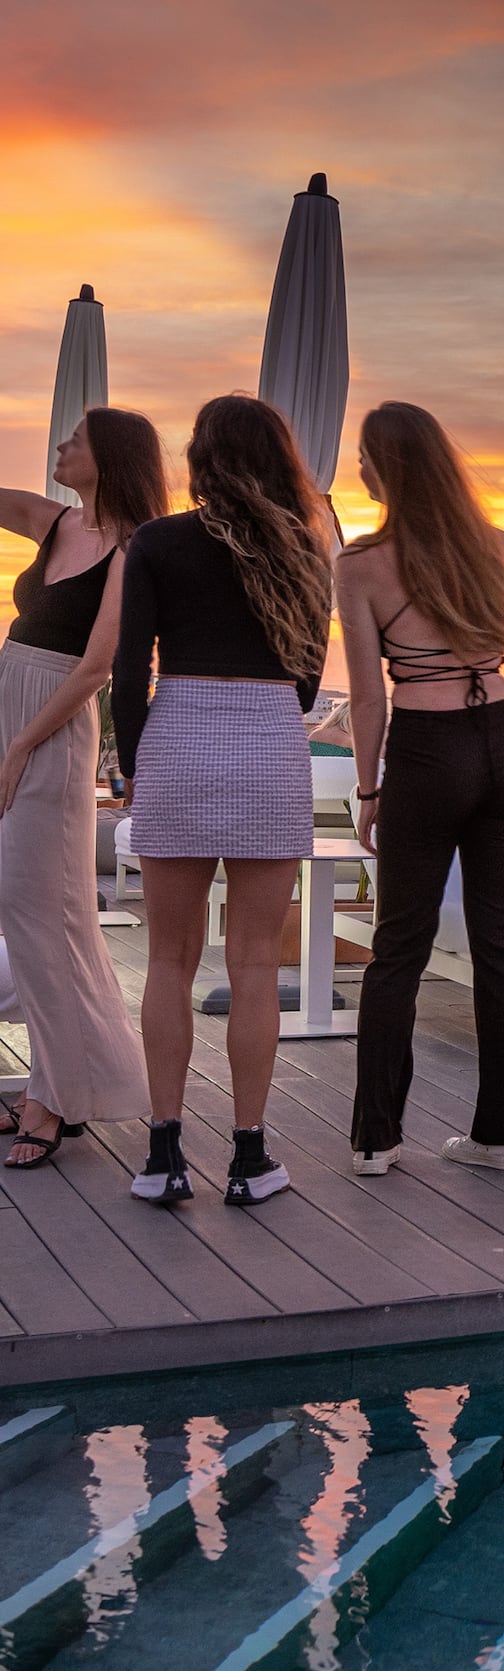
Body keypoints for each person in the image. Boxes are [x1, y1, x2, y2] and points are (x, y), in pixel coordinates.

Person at [113, 395, 332, 1208]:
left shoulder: (159, 541)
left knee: (169, 961)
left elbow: (130, 670)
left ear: (200, 457)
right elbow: (308, 680)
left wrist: (134, 764)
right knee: (251, 964)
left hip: (178, 735)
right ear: (279, 457)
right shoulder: (308, 547)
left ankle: (162, 1155)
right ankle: (249, 1158)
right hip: (271, 741)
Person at [337, 403, 504, 1177]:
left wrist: (368, 791)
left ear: (388, 467)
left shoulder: (361, 565)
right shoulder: (493, 547)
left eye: (363, 456)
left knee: (398, 948)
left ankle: (376, 1140)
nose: (356, 467)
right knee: (503, 947)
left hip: (428, 753)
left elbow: (367, 699)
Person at [0, 411, 160, 1166]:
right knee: (31, 915)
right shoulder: (54, 522)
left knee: (46, 917)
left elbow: (97, 667)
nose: (60, 449)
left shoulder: (133, 549)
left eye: (75, 440)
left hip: (53, 732)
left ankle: (54, 1101)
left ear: (111, 457)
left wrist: (22, 745)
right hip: (12, 710)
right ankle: (55, 1085)